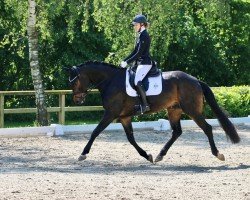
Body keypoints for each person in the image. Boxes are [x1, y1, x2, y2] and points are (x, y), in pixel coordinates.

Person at [120, 14, 152, 114]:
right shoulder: (140, 35)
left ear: (142, 25)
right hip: (139, 63)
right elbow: (134, 51)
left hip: (145, 63)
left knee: (137, 81)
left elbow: (139, 53)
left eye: (135, 25)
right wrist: (124, 60)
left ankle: (145, 105)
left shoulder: (145, 35)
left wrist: (128, 62)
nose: (134, 27)